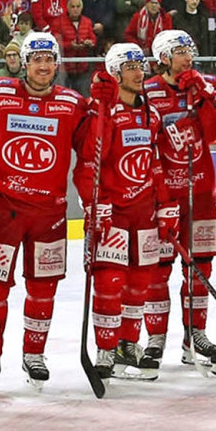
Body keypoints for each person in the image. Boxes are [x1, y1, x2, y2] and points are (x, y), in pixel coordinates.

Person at [0, 31, 96, 391]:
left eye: (50, 59)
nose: (45, 66)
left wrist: (93, 199)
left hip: (49, 214)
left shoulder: (72, 103)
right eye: (37, 59)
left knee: (43, 287)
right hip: (3, 211)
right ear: (23, 62)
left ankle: (34, 354)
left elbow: (93, 153)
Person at [144, 30, 216, 373]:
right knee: (157, 270)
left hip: (201, 192)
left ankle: (197, 335)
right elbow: (144, 143)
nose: (187, 56)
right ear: (163, 58)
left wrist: (202, 96)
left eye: (189, 49)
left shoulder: (206, 84)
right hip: (162, 196)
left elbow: (214, 130)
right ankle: (155, 338)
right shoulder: (147, 91)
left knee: (200, 268)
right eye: (179, 51)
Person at [83, 43, 159, 379]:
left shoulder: (150, 113)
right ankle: (106, 346)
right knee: (110, 281)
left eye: (141, 65)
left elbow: (154, 163)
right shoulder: (102, 110)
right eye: (130, 66)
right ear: (115, 73)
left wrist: (167, 203)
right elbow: (87, 159)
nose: (139, 72)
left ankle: (128, 342)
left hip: (144, 210)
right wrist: (93, 202)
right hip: (111, 209)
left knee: (140, 281)